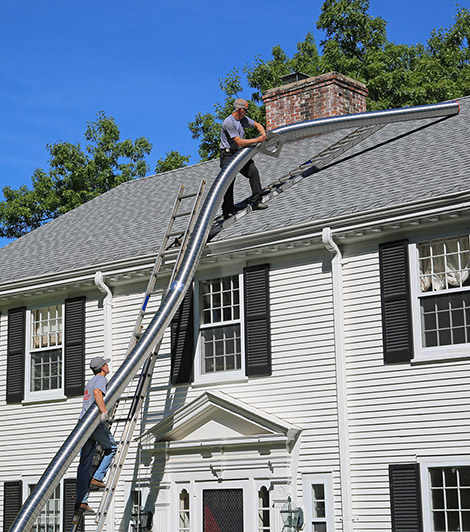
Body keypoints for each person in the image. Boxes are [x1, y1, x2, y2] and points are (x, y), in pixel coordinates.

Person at [75, 356, 117, 514]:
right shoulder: (100, 379)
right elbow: (97, 393)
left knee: (85, 463)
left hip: (83, 423)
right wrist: (104, 411)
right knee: (112, 447)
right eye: (106, 364)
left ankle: (82, 501)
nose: (107, 366)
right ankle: (98, 477)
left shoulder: (90, 381)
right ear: (103, 367)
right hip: (94, 422)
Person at [220, 98, 268, 219]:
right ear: (240, 110)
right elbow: (239, 142)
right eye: (246, 110)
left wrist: (263, 135)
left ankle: (257, 201)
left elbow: (257, 124)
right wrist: (257, 140)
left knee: (253, 172)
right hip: (227, 155)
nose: (247, 112)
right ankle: (227, 210)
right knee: (229, 181)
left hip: (238, 153)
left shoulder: (243, 120)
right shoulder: (228, 122)